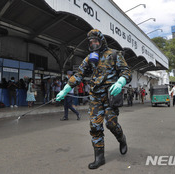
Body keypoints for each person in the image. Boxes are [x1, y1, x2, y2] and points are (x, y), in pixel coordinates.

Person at [56, 29, 131, 169]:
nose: (93, 43)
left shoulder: (115, 54)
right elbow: (78, 75)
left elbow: (126, 71)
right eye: (91, 42)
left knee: (111, 124)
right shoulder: (90, 58)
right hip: (95, 97)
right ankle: (99, 158)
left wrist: (120, 82)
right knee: (95, 126)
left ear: (101, 41)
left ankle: (122, 139)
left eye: (96, 41)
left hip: (110, 96)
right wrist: (65, 89)